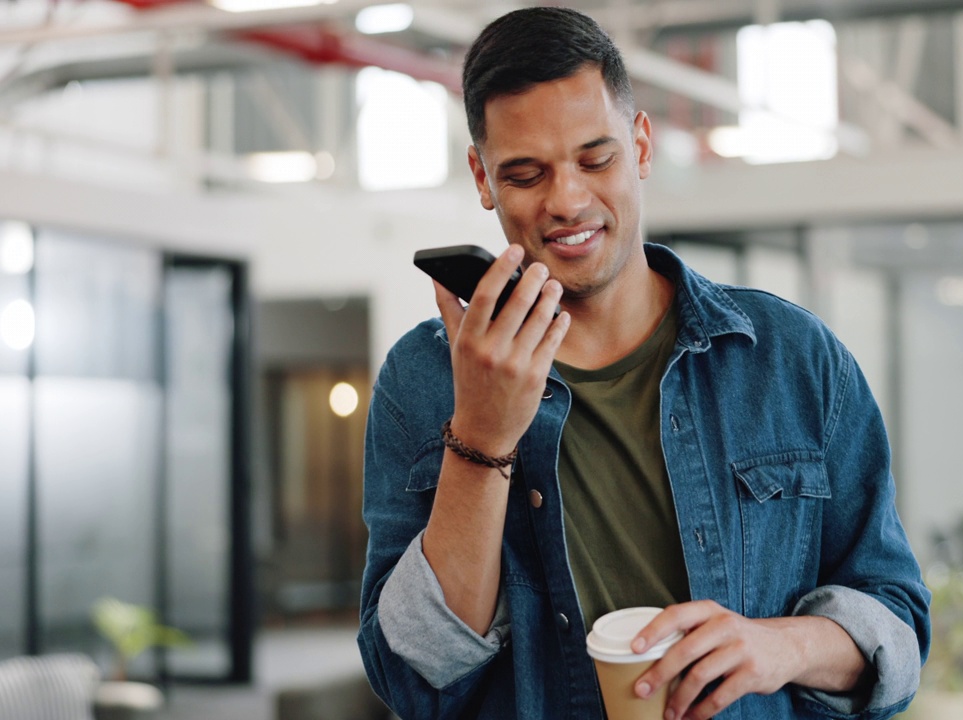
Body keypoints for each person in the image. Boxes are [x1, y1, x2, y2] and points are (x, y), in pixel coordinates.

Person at [357, 7, 929, 720]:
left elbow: (897, 628)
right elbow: (416, 673)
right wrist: (482, 435)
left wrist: (781, 646)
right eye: (526, 173)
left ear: (643, 144)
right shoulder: (423, 380)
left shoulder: (791, 358)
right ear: (482, 177)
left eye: (596, 159)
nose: (567, 200)